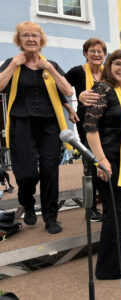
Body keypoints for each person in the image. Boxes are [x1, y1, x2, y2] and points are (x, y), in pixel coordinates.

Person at [0, 21, 76, 234]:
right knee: (26, 174)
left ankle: (51, 218)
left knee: (50, 172)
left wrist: (50, 68)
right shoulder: (11, 62)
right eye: (26, 36)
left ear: (41, 40)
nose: (31, 39)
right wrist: (14, 65)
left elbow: (68, 91)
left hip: (49, 125)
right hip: (20, 123)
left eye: (35, 36)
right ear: (19, 40)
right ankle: (27, 201)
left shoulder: (50, 64)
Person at [84, 49, 121, 279]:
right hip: (108, 159)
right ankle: (108, 269)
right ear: (109, 65)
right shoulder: (103, 88)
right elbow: (90, 128)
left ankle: (118, 264)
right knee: (113, 213)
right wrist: (101, 160)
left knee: (118, 212)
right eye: (118, 63)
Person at [65, 37, 107, 222]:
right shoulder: (76, 71)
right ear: (85, 54)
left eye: (100, 51)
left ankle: (107, 203)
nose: (97, 54)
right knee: (91, 163)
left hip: (107, 123)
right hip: (86, 124)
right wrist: (70, 108)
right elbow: (59, 89)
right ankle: (90, 208)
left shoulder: (109, 73)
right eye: (93, 51)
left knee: (106, 162)